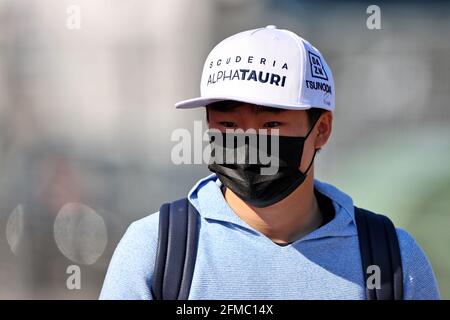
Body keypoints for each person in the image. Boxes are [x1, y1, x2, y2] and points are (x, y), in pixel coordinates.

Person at [99, 25, 440, 300]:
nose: (249, 143)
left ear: (321, 130)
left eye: (271, 125)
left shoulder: (392, 259)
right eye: (228, 125)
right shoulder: (158, 250)